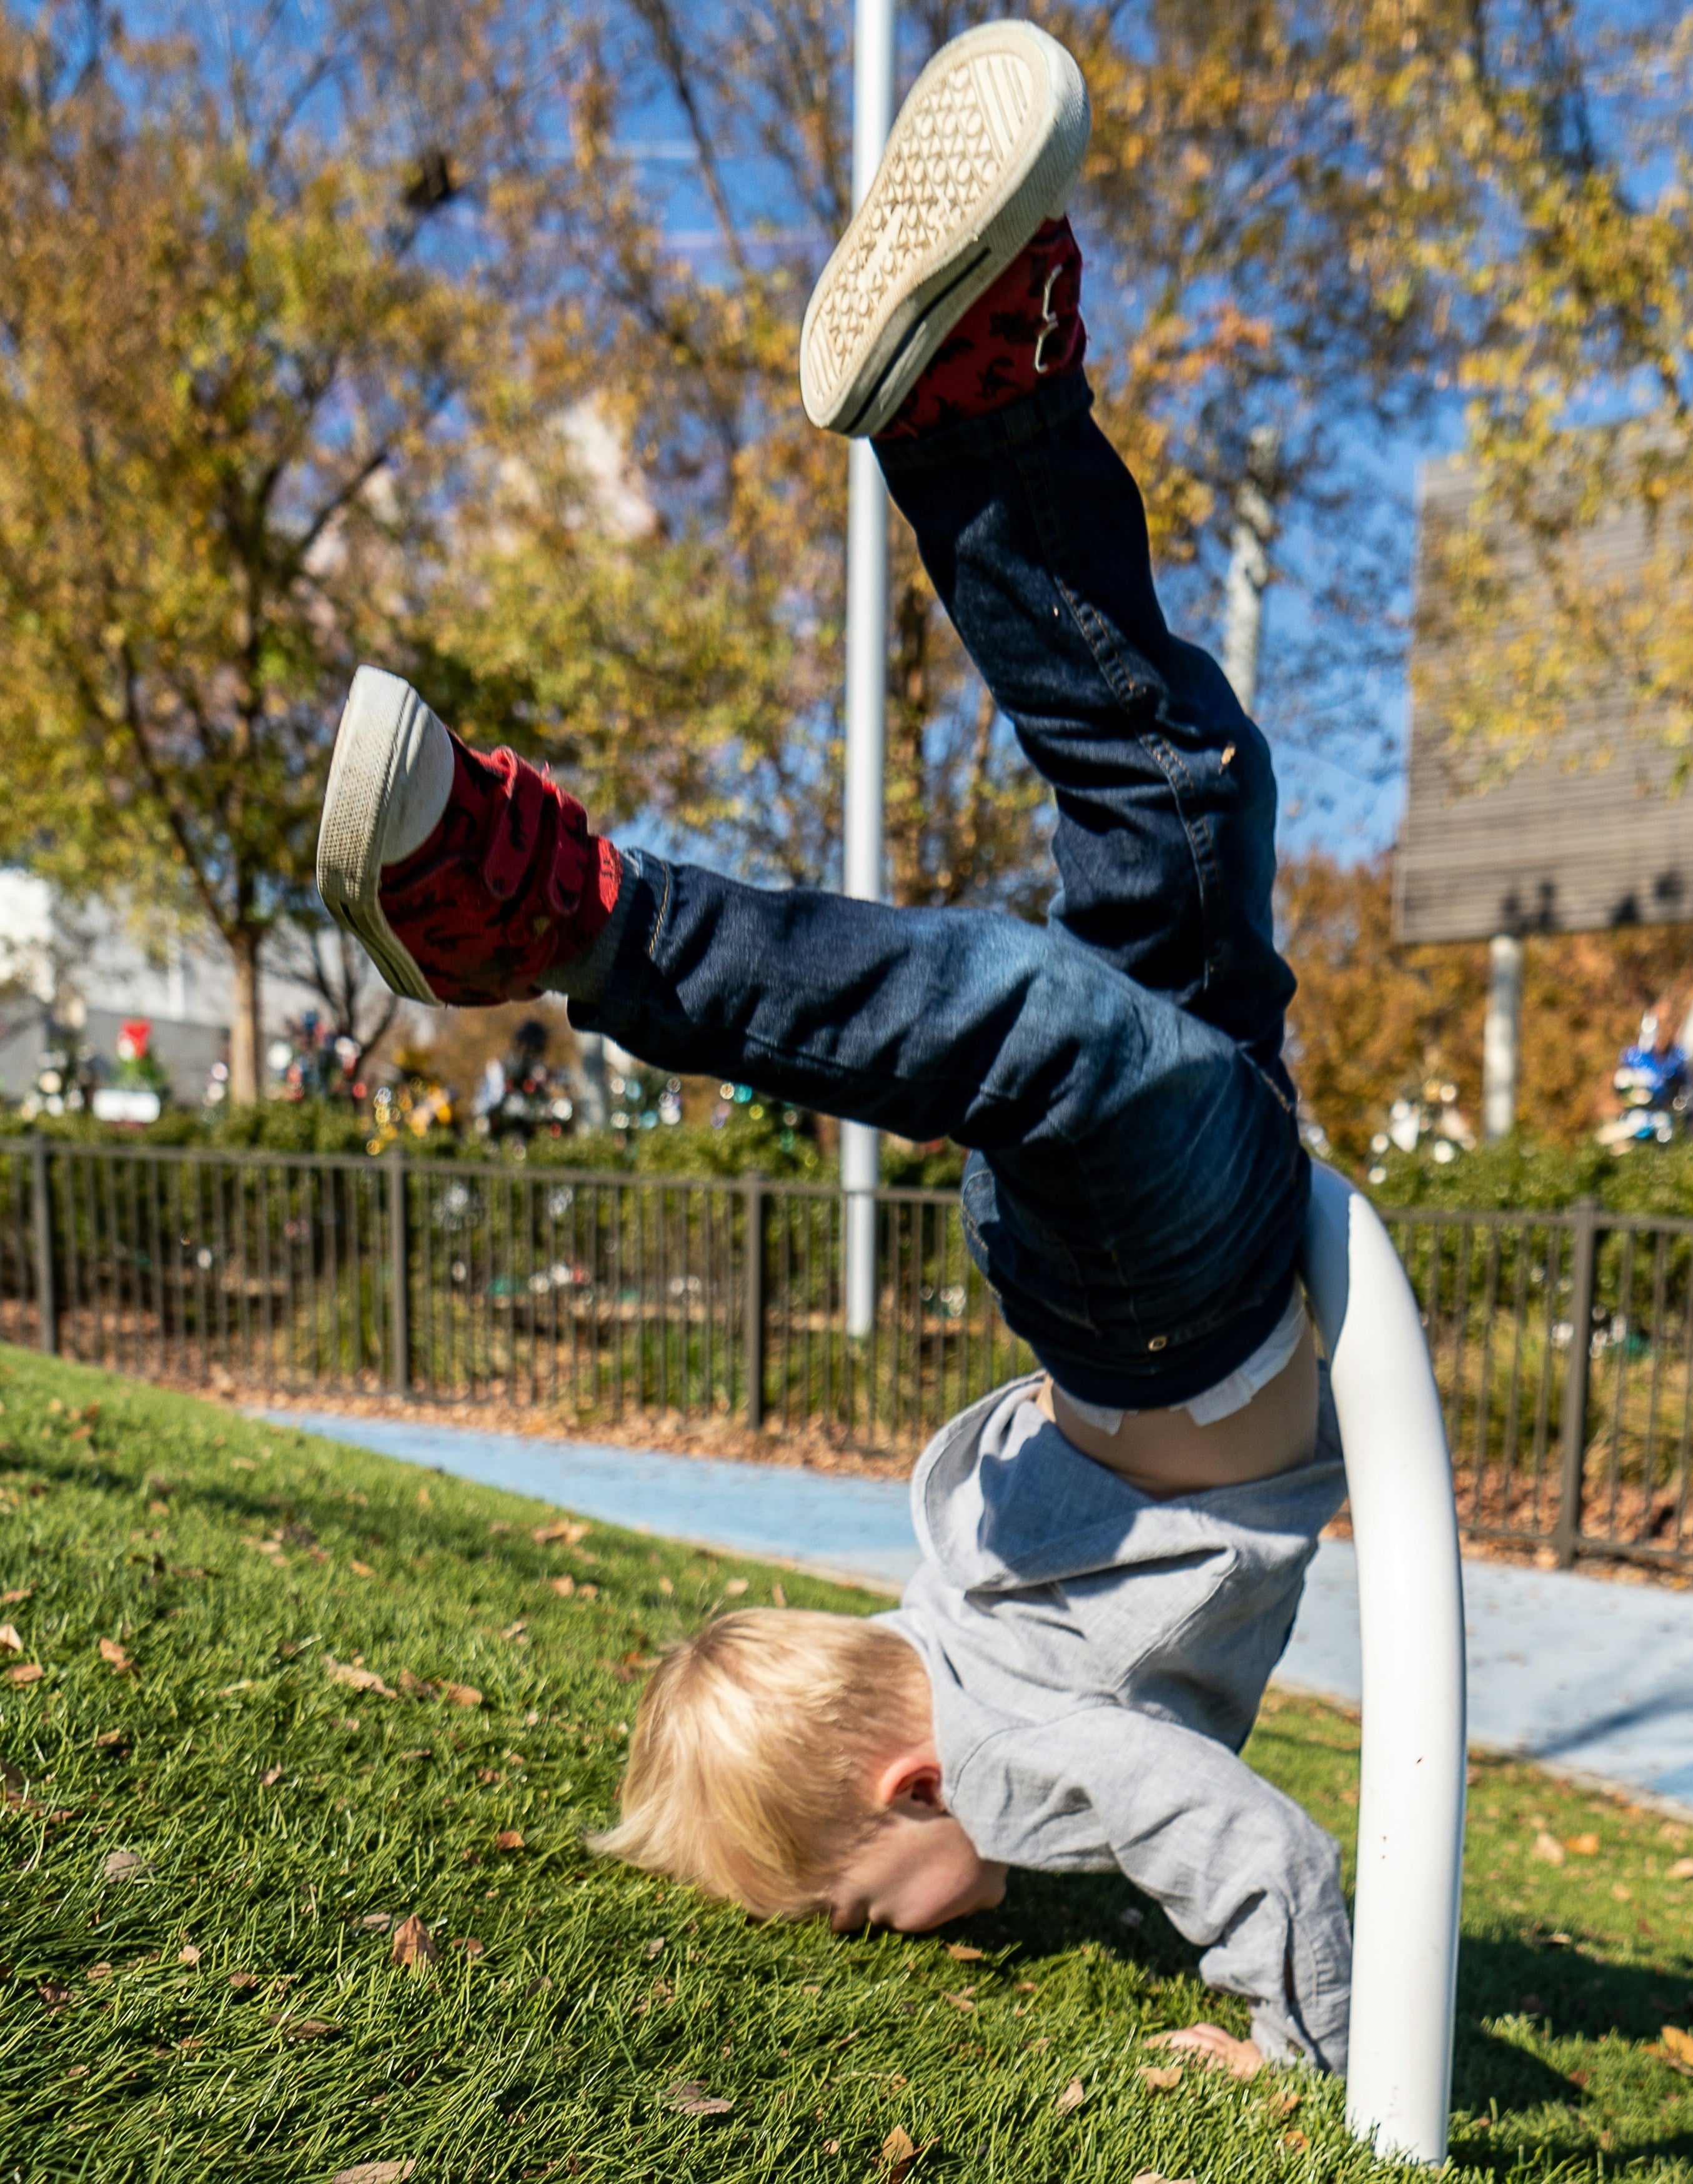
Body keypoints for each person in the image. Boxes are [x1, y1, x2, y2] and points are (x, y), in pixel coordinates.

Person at [315, 19, 1348, 2074]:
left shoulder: (1014, 1763)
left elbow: (1261, 1858)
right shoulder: (938, 1645)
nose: (900, 1938)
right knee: (1176, 791)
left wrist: (1294, 2048)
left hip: (1169, 1319)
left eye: (867, 1918)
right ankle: (980, 421)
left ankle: (569, 921)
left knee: (1017, 1023)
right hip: (1142, 1313)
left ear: (909, 1802)